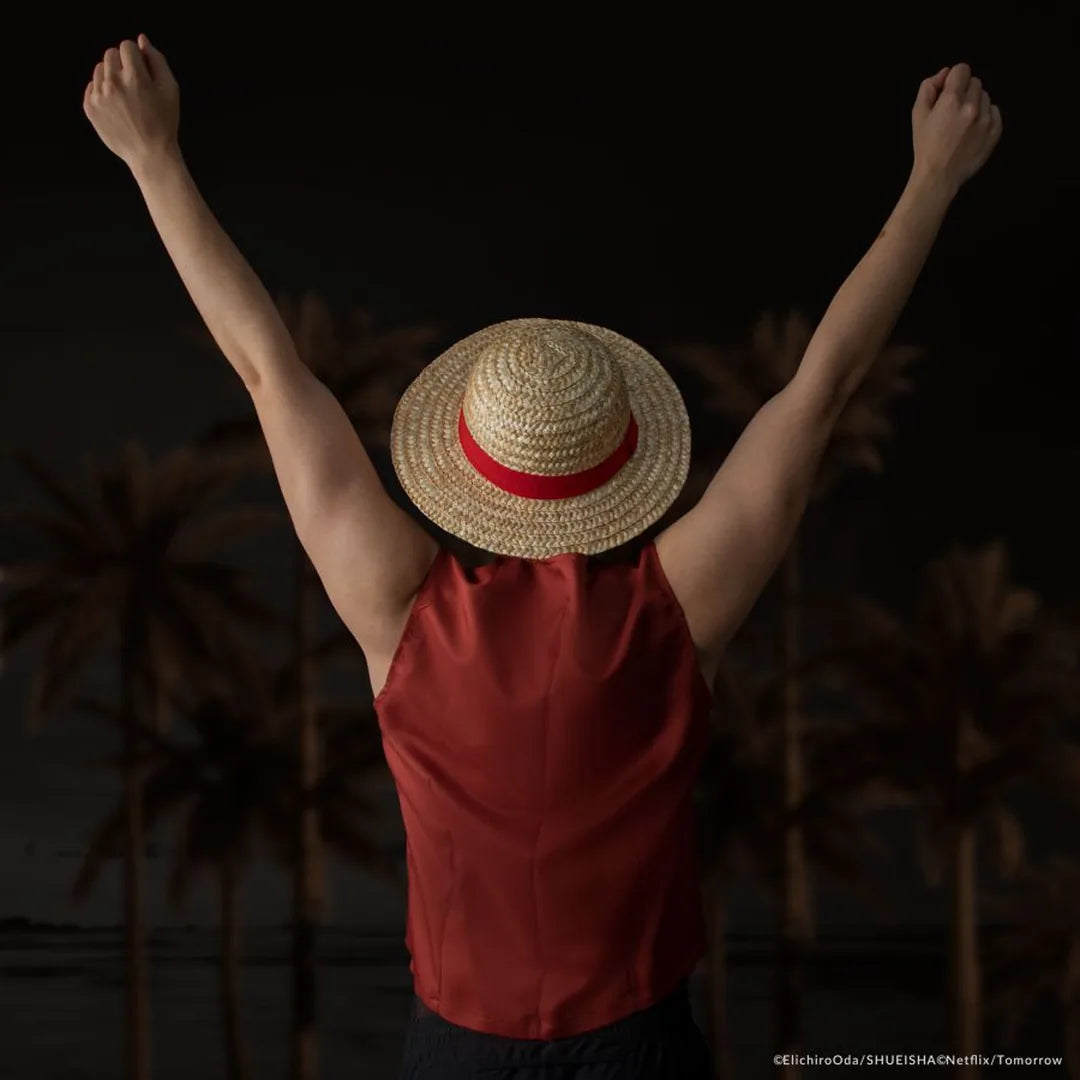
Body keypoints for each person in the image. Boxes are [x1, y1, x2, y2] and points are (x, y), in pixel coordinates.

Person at [83, 37, 1002, 1079]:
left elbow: (265, 369)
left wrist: (151, 156)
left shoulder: (398, 606)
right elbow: (822, 386)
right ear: (625, 466)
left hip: (455, 1052)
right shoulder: (679, 610)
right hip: (638, 1048)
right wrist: (934, 177)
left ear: (470, 467)